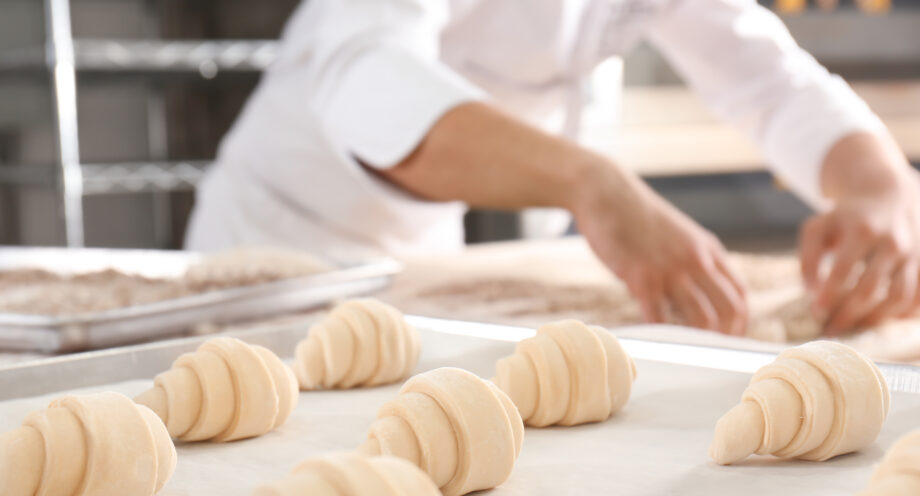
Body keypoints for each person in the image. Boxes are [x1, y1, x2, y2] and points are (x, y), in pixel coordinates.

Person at [186, 0, 920, 337]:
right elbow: (366, 77)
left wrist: (880, 182)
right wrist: (590, 183)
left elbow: (767, 78)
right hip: (275, 248)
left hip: (423, 261)